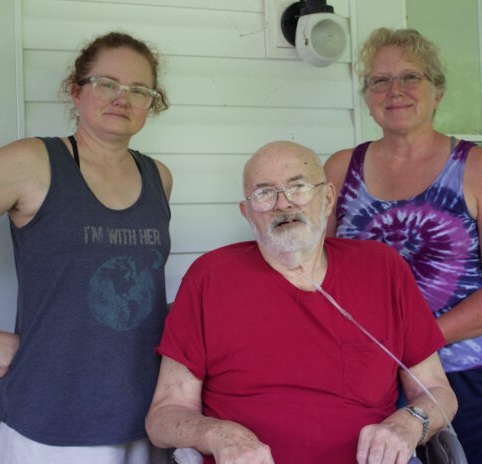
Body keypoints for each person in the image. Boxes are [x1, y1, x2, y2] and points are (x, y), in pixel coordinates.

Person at [0, 31, 172, 464]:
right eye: (107, 83)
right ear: (76, 92)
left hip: (142, 406)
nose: (122, 98)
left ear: (151, 103)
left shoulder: (159, 178)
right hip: (52, 413)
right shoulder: (30, 162)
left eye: (138, 90)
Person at [145, 141, 457, 464]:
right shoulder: (208, 279)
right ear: (247, 212)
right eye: (264, 193)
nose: (283, 204)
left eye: (298, 187)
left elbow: (439, 391)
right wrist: (217, 435)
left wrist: (410, 423)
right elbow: (164, 414)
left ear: (328, 199)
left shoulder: (383, 270)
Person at [324, 28, 482, 464]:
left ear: (438, 92)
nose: (394, 91)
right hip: (372, 379)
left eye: (410, 77)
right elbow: (320, 270)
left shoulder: (478, 167)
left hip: (468, 372)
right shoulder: (341, 169)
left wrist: (418, 342)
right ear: (368, 96)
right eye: (380, 80)